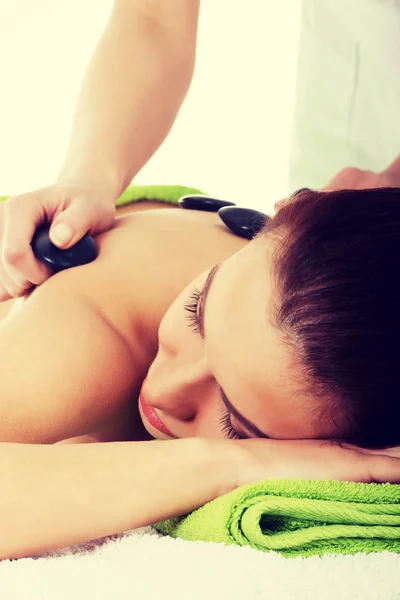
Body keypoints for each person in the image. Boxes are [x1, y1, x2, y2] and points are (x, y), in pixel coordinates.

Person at [0, 176, 400, 560]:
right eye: (196, 312)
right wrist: (232, 462)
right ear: (278, 215)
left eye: (233, 423)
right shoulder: (85, 342)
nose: (163, 392)